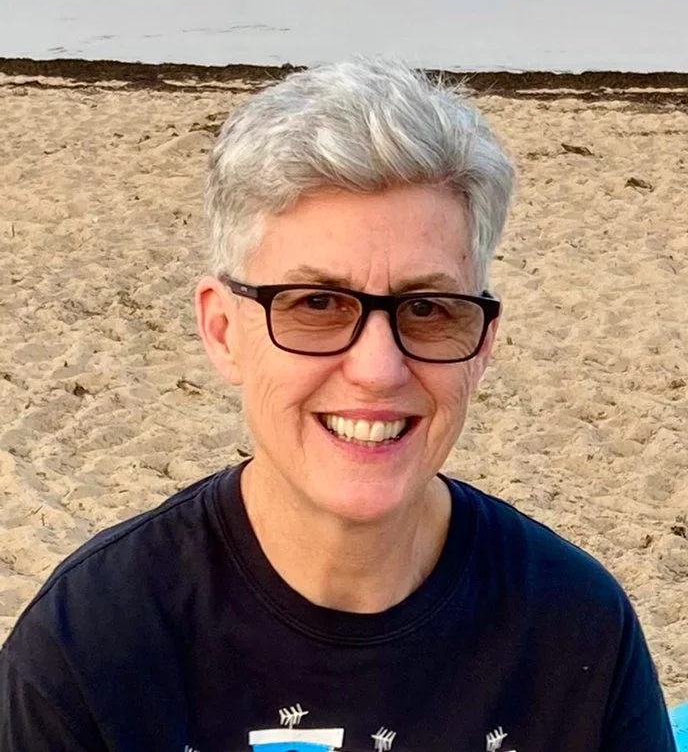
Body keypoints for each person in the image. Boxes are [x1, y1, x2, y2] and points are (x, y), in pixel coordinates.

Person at [0, 58, 676, 752]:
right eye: (317, 304)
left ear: (482, 344)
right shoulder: (91, 645)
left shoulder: (574, 629)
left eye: (428, 308)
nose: (378, 369)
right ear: (223, 329)